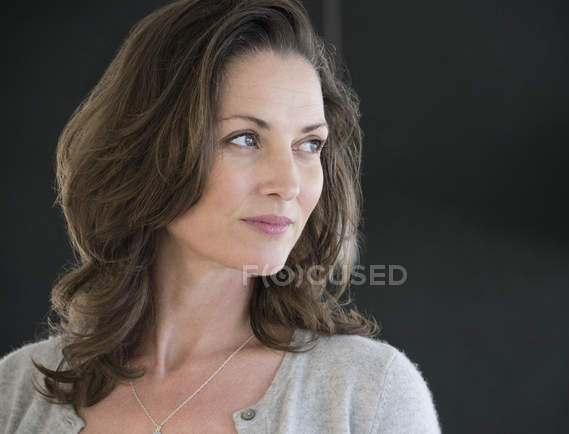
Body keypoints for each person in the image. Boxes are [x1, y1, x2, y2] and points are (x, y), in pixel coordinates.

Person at [0, 0, 441, 432]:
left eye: (309, 144)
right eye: (245, 138)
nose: (288, 184)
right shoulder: (15, 391)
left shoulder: (368, 395)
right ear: (150, 152)